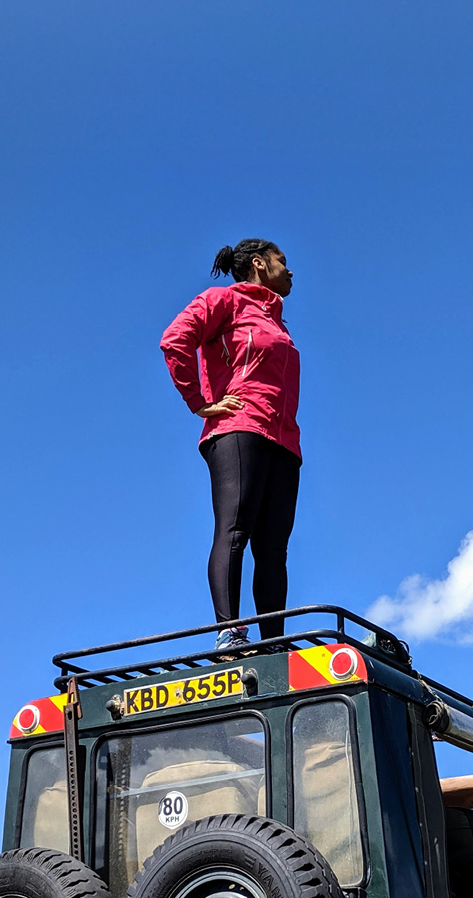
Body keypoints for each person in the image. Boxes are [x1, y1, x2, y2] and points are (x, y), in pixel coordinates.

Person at [160, 238, 301, 650]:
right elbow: (175, 339)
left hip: (284, 441)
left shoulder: (276, 321)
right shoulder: (225, 300)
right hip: (238, 427)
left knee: (274, 549)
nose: (290, 271)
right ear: (259, 263)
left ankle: (274, 642)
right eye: (282, 262)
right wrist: (200, 403)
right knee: (235, 530)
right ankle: (230, 632)